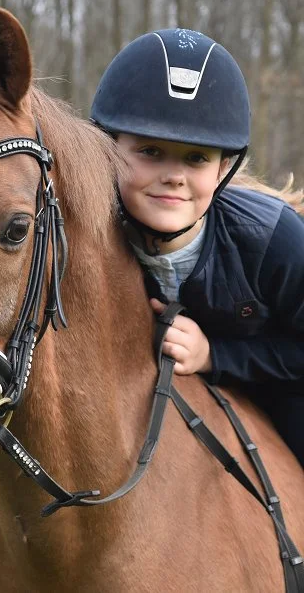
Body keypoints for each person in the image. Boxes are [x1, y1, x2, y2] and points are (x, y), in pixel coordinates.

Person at [90, 28, 304, 466]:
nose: (174, 175)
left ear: (224, 166)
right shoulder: (87, 236)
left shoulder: (273, 240)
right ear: (108, 149)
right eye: (150, 151)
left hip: (282, 393)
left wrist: (215, 355)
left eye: (195, 158)